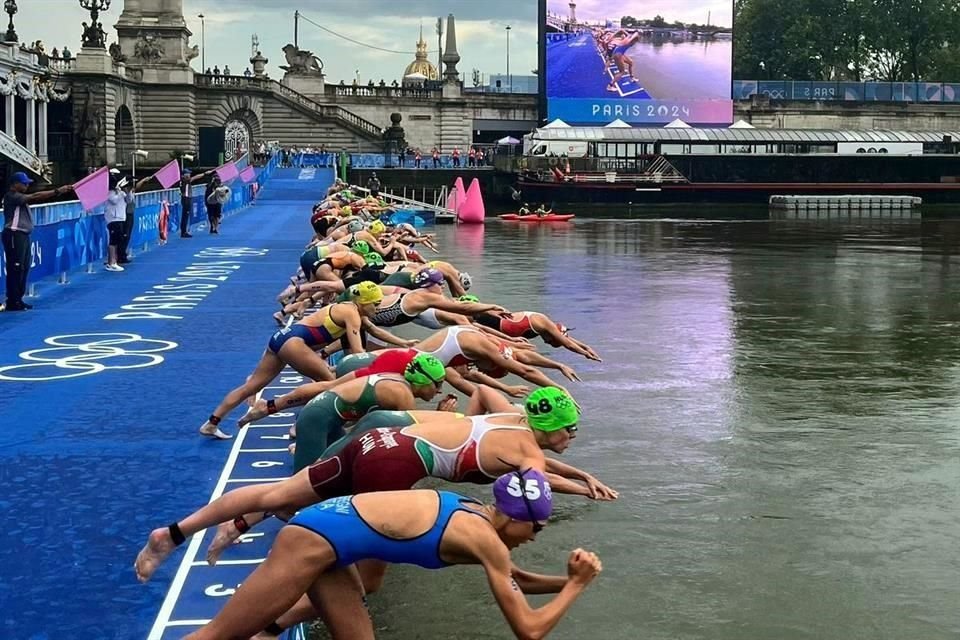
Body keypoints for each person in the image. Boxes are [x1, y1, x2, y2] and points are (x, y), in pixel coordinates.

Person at [135, 387, 617, 586]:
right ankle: (282, 616)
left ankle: (172, 534)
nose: (574, 437)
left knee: (275, 494)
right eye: (571, 429)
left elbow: (489, 400)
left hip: (377, 439)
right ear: (551, 427)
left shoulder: (511, 418)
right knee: (367, 576)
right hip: (393, 464)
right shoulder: (530, 457)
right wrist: (577, 491)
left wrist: (581, 476)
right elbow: (529, 503)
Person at [179, 471, 602, 640]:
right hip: (312, 539)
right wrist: (577, 587)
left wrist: (567, 580)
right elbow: (528, 630)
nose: (536, 537)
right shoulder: (483, 538)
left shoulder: (479, 517)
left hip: (331, 542)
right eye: (536, 527)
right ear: (511, 517)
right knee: (219, 636)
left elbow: (515, 578)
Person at [198, 282, 383, 439]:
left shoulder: (350, 309)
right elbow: (358, 353)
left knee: (251, 386)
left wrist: (400, 344)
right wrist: (382, 362)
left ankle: (211, 423)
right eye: (376, 304)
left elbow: (375, 331)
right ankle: (293, 421)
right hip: (293, 343)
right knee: (330, 384)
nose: (378, 308)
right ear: (363, 302)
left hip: (281, 339)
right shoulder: (351, 314)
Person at [2, 173, 72, 311]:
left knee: (23, 267)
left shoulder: (18, 197)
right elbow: (35, 196)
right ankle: (13, 300)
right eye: (24, 183)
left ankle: (18, 299)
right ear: (15, 184)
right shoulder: (12, 196)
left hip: (22, 234)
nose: (27, 185)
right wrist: (57, 191)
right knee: (16, 268)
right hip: (14, 234)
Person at [103, 173, 128, 272]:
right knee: (113, 241)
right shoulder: (109, 192)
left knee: (117, 240)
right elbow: (114, 200)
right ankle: (111, 262)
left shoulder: (120, 192)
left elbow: (129, 200)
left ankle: (114, 261)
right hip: (113, 218)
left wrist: (128, 191)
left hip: (121, 217)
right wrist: (120, 192)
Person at [179, 169, 213, 238]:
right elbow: (195, 177)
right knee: (185, 216)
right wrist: (205, 173)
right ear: (184, 175)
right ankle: (183, 232)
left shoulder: (184, 180)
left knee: (185, 216)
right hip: (186, 198)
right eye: (188, 173)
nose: (189, 175)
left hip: (186, 198)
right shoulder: (185, 180)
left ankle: (184, 231)